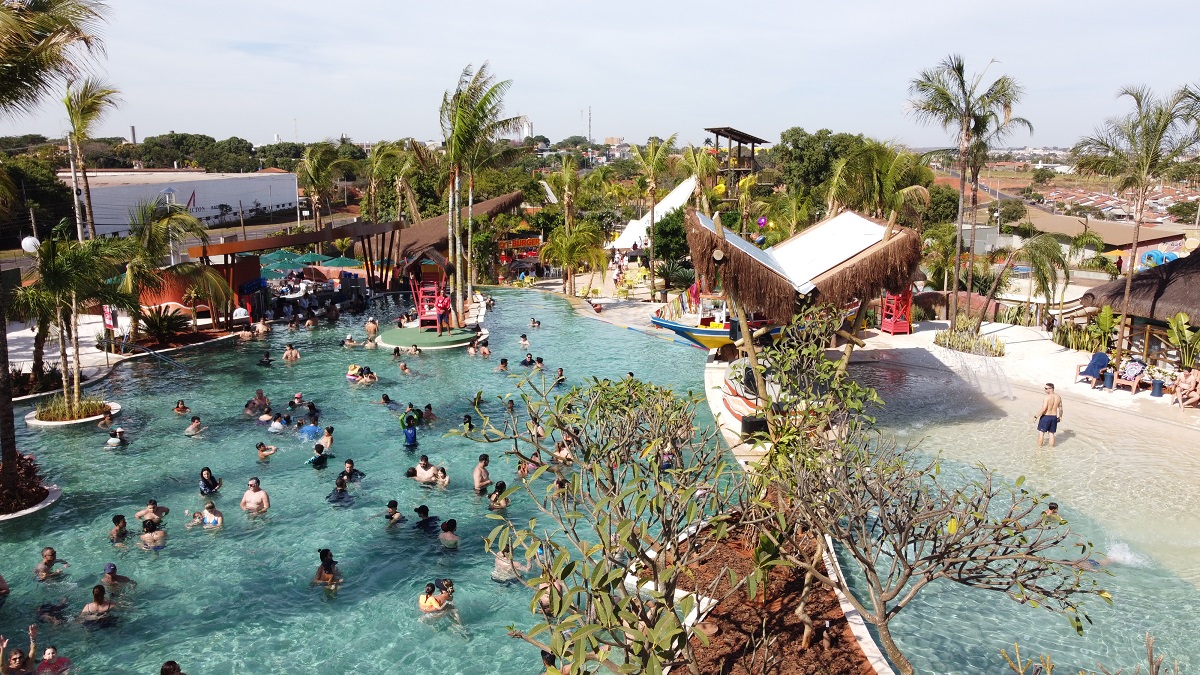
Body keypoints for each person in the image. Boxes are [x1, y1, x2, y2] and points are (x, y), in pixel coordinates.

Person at [1034, 382, 1063, 448]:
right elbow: (1060, 408)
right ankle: (1051, 450)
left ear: (1051, 389)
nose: (1045, 390)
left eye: (1046, 388)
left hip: (1046, 417)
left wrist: (1036, 416)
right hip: (1054, 417)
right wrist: (1060, 416)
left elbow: (1044, 409)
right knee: (1051, 434)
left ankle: (1039, 449)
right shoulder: (1058, 397)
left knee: (1041, 433)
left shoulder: (1047, 397)